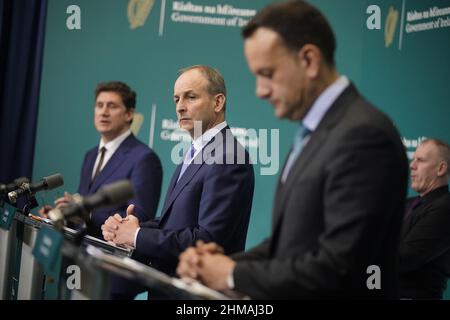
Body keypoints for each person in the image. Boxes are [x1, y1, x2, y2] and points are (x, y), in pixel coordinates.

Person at [177, 0, 409, 299]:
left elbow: (341, 267)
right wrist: (216, 265)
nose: (260, 90)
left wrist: (233, 274)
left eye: (268, 73)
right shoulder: (314, 132)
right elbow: (293, 244)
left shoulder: (364, 136)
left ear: (309, 60)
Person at [101, 66, 255, 285]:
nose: (180, 107)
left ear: (218, 102)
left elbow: (207, 240)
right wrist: (130, 228)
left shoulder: (229, 156)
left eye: (190, 97)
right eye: (176, 100)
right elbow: (177, 223)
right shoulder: (198, 151)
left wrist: (136, 236)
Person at [54, 81, 163, 238]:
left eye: (112, 106)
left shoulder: (144, 158)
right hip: (78, 249)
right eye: (99, 105)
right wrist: (65, 216)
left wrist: (86, 215)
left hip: (110, 256)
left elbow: (139, 218)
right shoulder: (90, 155)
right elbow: (84, 207)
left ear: (129, 114)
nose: (103, 112)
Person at [399, 138, 450, 299]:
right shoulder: (408, 203)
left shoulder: (445, 208)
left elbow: (405, 259)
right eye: (413, 159)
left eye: (420, 160)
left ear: (441, 168)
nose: (412, 166)